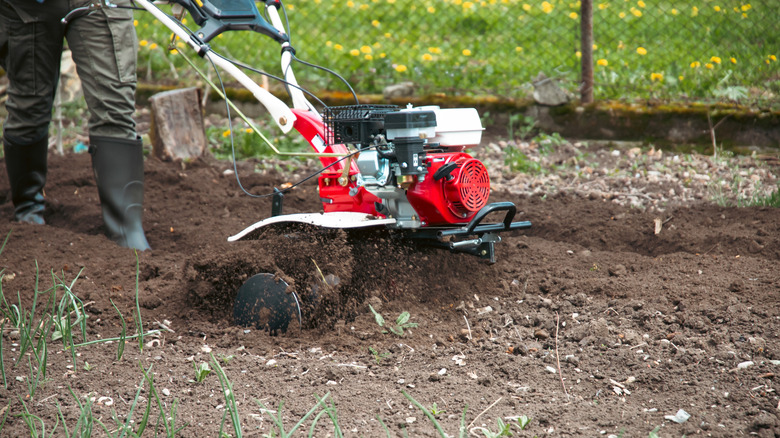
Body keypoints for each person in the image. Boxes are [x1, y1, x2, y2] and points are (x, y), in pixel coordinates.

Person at [0, 0, 150, 250]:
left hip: (100, 3)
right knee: (30, 107)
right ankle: (28, 213)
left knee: (114, 105)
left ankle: (127, 232)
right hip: (25, 6)